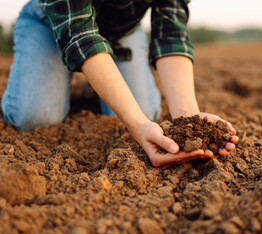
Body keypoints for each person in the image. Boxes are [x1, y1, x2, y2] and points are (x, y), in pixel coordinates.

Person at [1, 0, 238, 167]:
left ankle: (100, 86)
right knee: (33, 117)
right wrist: (136, 124)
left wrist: (189, 119)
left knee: (147, 113)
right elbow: (80, 36)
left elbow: (170, 34)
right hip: (52, 25)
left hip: (121, 31)